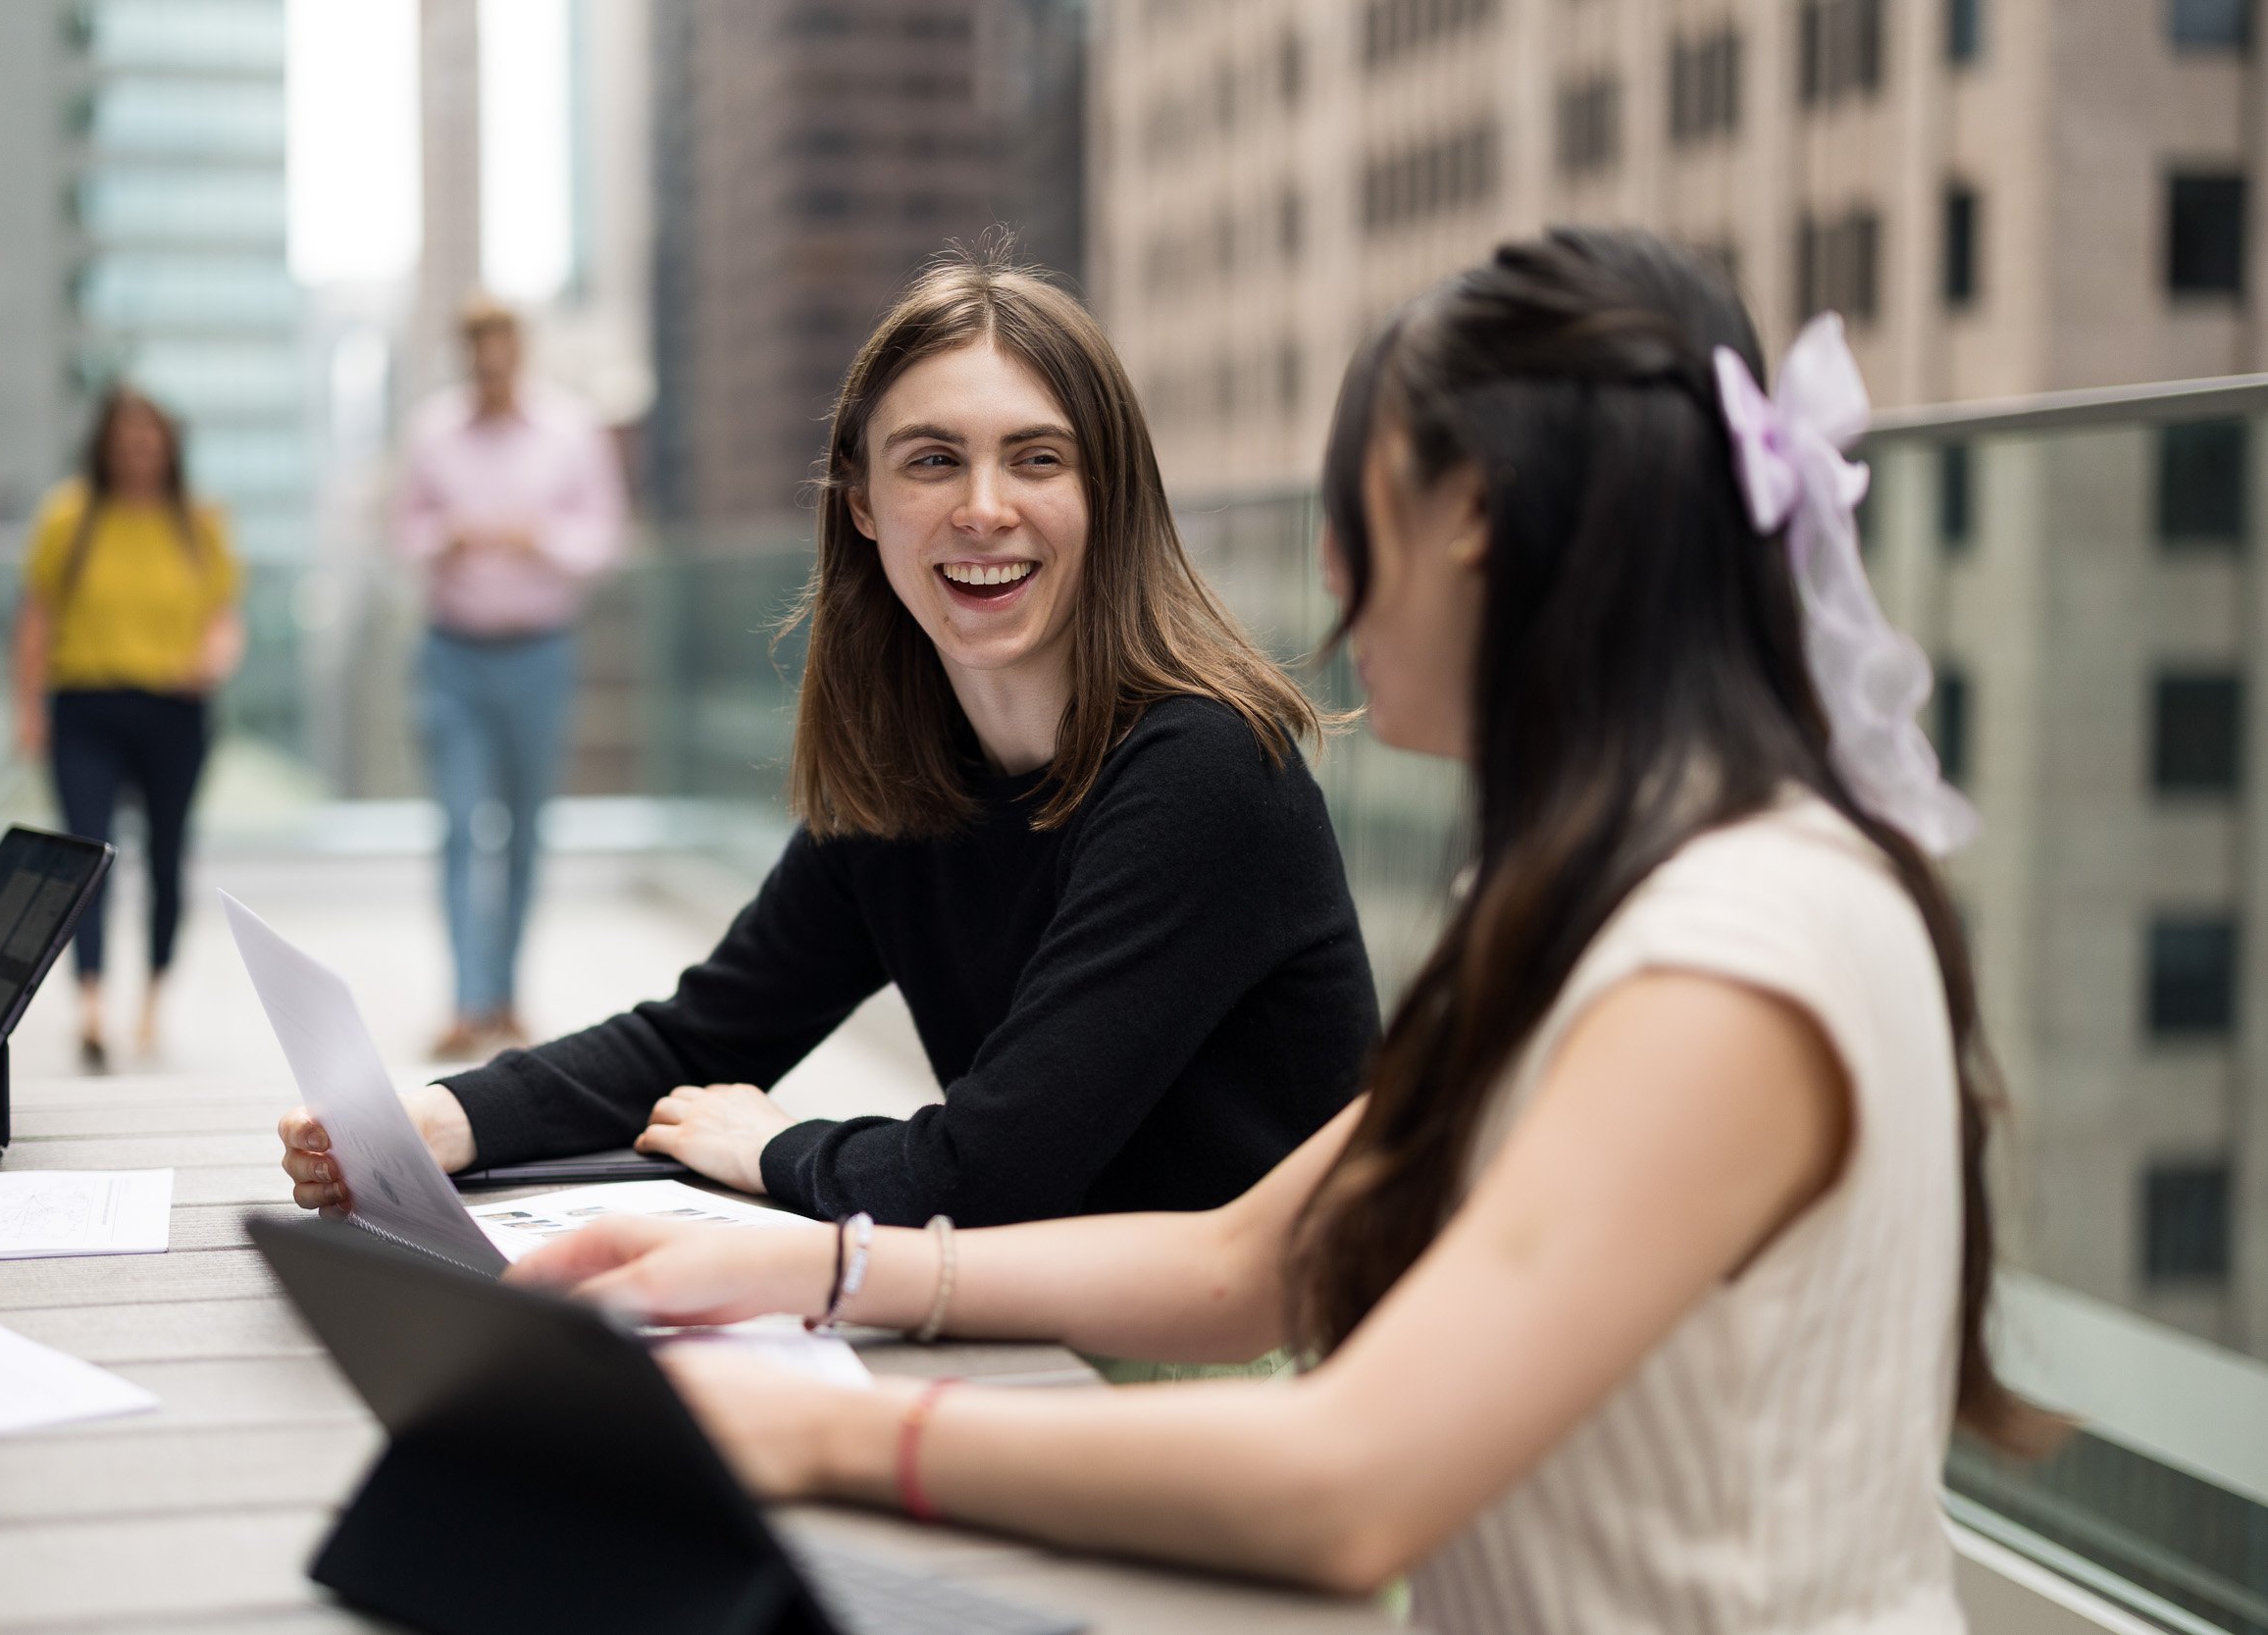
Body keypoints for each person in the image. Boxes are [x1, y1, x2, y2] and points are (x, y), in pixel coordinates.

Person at [507, 230, 2055, 1631]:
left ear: (1475, 524)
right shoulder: (1605, 892)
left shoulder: (1732, 947)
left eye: (1351, 508)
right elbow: (1258, 1258)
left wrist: (822, 1426)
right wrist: (811, 1271)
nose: (1327, 574)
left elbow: (1350, 1481)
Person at [280, 251, 1378, 1235]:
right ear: (861, 503)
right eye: (932, 460)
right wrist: (441, 1117)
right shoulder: (913, 775)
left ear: (1108, 493)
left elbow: (987, 1172)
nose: (984, 507)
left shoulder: (1204, 770)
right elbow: (702, 1036)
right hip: (1036, 1321)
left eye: (1037, 458)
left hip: (1243, 1376)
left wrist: (774, 1146)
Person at [396, 295, 626, 1059]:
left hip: (540, 652)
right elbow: (404, 530)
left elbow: (603, 538)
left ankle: (505, 993)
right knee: (460, 827)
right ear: (466, 354)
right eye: (477, 351)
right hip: (452, 653)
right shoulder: (432, 431)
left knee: (525, 828)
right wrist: (445, 536)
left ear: (518, 350)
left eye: (501, 349)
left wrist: (541, 538)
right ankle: (465, 1000)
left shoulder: (571, 430)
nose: (490, 364)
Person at [12, 385, 244, 1067]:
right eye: (126, 439)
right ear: (105, 446)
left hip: (174, 710)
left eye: (150, 440)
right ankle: (90, 1001)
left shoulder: (198, 522)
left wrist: (213, 657)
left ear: (168, 448)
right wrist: (26, 707)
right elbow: (36, 616)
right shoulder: (68, 517)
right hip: (84, 704)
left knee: (168, 855)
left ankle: (152, 998)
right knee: (86, 854)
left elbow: (223, 615)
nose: (138, 452)